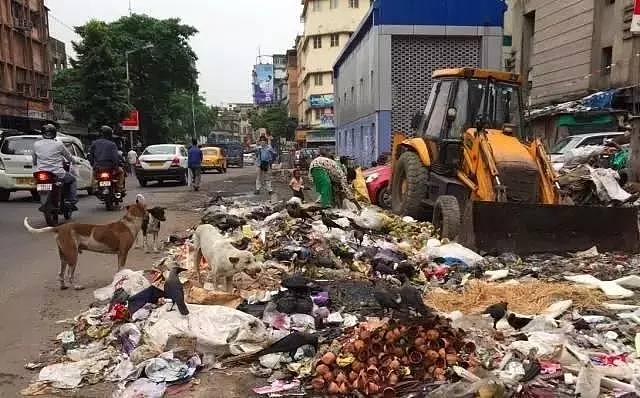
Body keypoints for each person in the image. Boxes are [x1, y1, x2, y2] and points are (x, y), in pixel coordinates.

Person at [32, 124, 78, 208]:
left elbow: (34, 159)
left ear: (42, 133)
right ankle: (71, 200)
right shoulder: (59, 144)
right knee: (72, 180)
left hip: (41, 172)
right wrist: (74, 161)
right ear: (54, 133)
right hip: (57, 172)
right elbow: (68, 156)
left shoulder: (36, 144)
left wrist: (36, 164)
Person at [89, 126, 126, 192]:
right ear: (109, 134)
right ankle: (119, 187)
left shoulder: (94, 143)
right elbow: (115, 157)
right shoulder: (112, 144)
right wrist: (116, 167)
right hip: (110, 167)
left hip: (98, 167)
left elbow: (91, 156)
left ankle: (95, 187)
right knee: (121, 172)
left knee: (94, 174)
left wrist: (93, 165)